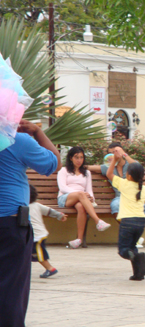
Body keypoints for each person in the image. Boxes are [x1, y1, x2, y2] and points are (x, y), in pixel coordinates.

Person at [0, 120, 60, 327]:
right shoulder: (15, 139)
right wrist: (37, 132)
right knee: (10, 289)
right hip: (9, 223)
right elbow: (53, 163)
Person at [106, 149, 145, 280]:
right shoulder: (144, 188)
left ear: (129, 176)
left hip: (127, 222)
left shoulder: (124, 184)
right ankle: (138, 274)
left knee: (124, 250)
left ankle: (137, 257)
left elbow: (109, 174)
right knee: (132, 248)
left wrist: (114, 159)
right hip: (141, 223)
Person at [88, 142, 145, 222]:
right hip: (120, 198)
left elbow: (138, 167)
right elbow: (88, 167)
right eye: (111, 153)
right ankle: (126, 228)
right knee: (115, 205)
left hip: (136, 197)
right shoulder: (108, 167)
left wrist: (124, 154)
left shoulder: (130, 165)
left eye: (116, 152)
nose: (114, 155)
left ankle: (139, 226)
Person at [57, 146, 111, 249]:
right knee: (81, 194)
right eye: (76, 157)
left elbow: (89, 190)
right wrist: (79, 193)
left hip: (80, 199)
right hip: (65, 198)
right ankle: (98, 221)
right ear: (70, 158)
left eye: (81, 157)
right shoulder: (63, 170)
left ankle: (79, 240)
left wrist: (91, 199)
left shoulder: (87, 172)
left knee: (81, 207)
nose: (79, 160)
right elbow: (63, 188)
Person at [29, 184, 67, 278]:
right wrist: (60, 215)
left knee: (37, 254)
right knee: (29, 253)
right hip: (36, 235)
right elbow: (49, 211)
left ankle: (50, 269)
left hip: (37, 236)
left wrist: (60, 215)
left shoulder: (21, 206)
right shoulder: (36, 205)